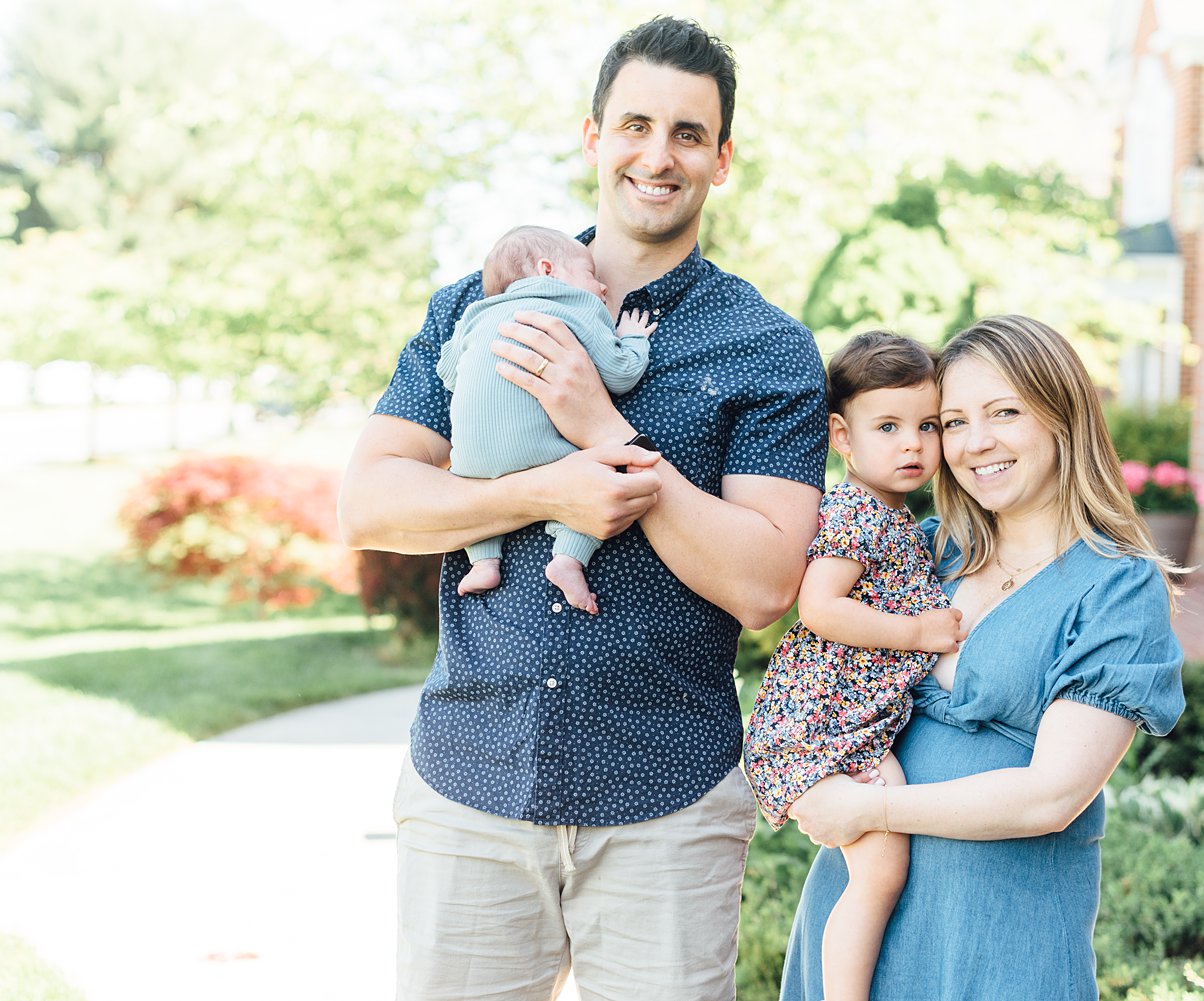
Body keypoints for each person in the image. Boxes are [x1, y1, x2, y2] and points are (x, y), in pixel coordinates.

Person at [337, 16, 828, 1001]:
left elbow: (767, 581)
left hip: (669, 801)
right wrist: (544, 492)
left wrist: (602, 427)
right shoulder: (474, 305)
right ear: (593, 136)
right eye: (636, 124)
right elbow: (369, 501)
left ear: (721, 159)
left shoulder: (766, 349)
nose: (659, 154)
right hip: (468, 777)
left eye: (689, 134)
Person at [778, 315, 1186, 1001]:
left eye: (1004, 413)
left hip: (1002, 935)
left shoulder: (1116, 585)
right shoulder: (924, 551)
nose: (976, 443)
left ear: (1063, 417)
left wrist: (870, 811)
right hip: (860, 926)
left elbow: (1051, 794)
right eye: (953, 421)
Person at [743, 330, 965, 1001]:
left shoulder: (897, 518)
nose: (912, 444)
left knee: (884, 869)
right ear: (842, 435)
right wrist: (917, 631)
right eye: (889, 425)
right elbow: (819, 607)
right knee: (881, 871)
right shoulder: (853, 512)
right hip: (816, 730)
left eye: (927, 425)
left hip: (853, 731)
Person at [437, 224, 657, 611]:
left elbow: (450, 374)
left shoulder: (475, 314)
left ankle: (484, 561)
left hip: (471, 459)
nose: (602, 287)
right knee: (601, 477)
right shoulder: (574, 304)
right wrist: (634, 338)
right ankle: (568, 559)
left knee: (471, 482)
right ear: (548, 269)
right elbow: (621, 373)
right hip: (542, 453)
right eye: (591, 274)